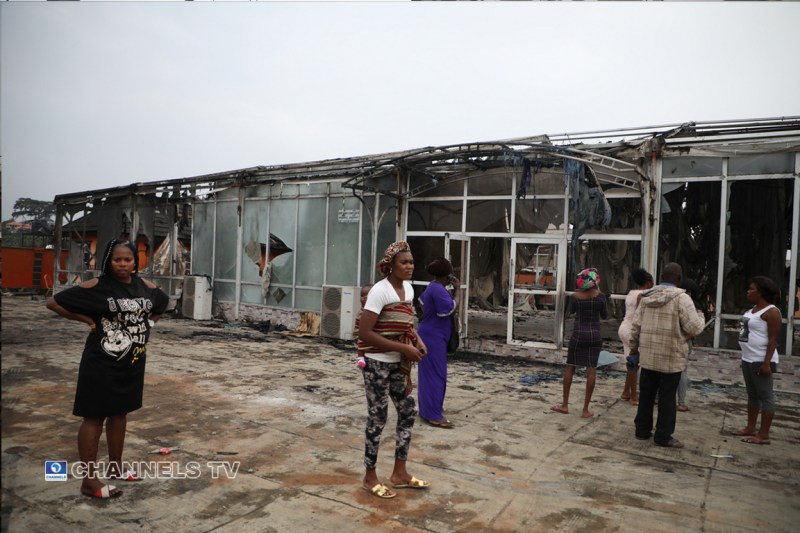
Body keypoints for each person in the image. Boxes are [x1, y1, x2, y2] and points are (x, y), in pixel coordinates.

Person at [46, 239, 169, 498]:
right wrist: (89, 321)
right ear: (108, 261)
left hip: (132, 363)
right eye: (117, 259)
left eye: (127, 259)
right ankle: (89, 481)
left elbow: (163, 304)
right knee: (94, 417)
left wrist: (150, 325)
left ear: (136, 261)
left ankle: (115, 467)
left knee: (120, 414)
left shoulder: (145, 286)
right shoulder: (98, 286)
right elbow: (54, 303)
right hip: (101, 363)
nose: (122, 264)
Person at [357, 241, 429, 499]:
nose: (410, 266)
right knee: (378, 418)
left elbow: (406, 324)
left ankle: (400, 473)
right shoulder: (380, 291)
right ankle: (369, 477)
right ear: (391, 265)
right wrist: (404, 349)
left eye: (411, 262)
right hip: (377, 363)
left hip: (399, 362)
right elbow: (365, 333)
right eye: (404, 262)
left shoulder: (408, 289)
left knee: (408, 411)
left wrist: (417, 341)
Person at [630, 263, 704, 448]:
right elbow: (694, 328)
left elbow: (636, 327)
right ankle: (663, 436)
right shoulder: (683, 299)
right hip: (671, 358)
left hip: (648, 358)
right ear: (678, 278)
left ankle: (642, 430)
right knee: (667, 398)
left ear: (662, 277)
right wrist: (701, 316)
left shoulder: (646, 297)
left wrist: (634, 349)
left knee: (646, 395)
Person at [552, 267, 608, 419]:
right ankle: (585, 410)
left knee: (570, 367)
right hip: (594, 336)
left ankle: (565, 405)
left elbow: (571, 312)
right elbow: (605, 315)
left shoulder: (575, 297)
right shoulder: (601, 297)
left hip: (578, 335)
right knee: (591, 371)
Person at [734, 276, 782, 445]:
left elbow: (773, 340)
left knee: (765, 396)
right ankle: (750, 427)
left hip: (761, 360)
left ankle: (764, 435)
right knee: (752, 395)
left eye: (751, 289)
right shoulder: (752, 310)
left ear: (760, 292)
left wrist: (766, 363)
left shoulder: (772, 312)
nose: (748, 291)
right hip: (748, 358)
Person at [417, 258, 460, 429]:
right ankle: (433, 415)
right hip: (433, 338)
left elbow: (422, 303)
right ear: (447, 274)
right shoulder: (437, 289)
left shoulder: (433, 287)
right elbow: (450, 309)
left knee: (430, 374)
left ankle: (428, 409)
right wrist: (458, 292)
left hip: (432, 335)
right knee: (436, 375)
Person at [618, 268, 654, 405]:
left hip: (624, 328)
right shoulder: (644, 295)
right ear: (648, 283)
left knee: (631, 363)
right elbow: (640, 315)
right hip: (632, 330)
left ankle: (626, 392)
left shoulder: (631, 293)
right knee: (634, 364)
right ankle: (634, 396)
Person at [677, 277, 702, 412]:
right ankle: (681, 403)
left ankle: (658, 398)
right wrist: (686, 338)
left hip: (676, 339)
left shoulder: (676, 302)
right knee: (682, 370)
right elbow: (696, 328)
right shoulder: (694, 306)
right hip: (686, 341)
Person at [353, 284, 372, 369]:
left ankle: (362, 358)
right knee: (361, 344)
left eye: (367, 295)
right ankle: (360, 357)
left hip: (365, 333)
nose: (364, 297)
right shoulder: (363, 310)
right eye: (362, 295)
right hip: (359, 332)